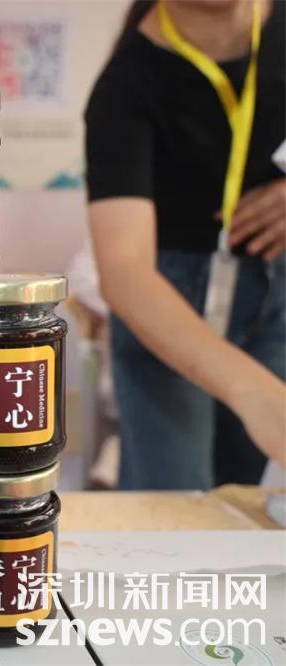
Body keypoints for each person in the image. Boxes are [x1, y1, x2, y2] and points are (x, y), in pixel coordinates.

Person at [84, 0, 286, 489]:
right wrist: (254, 393)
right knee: (174, 499)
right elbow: (124, 271)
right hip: (166, 314)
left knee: (263, 503)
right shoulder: (127, 84)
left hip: (274, 291)